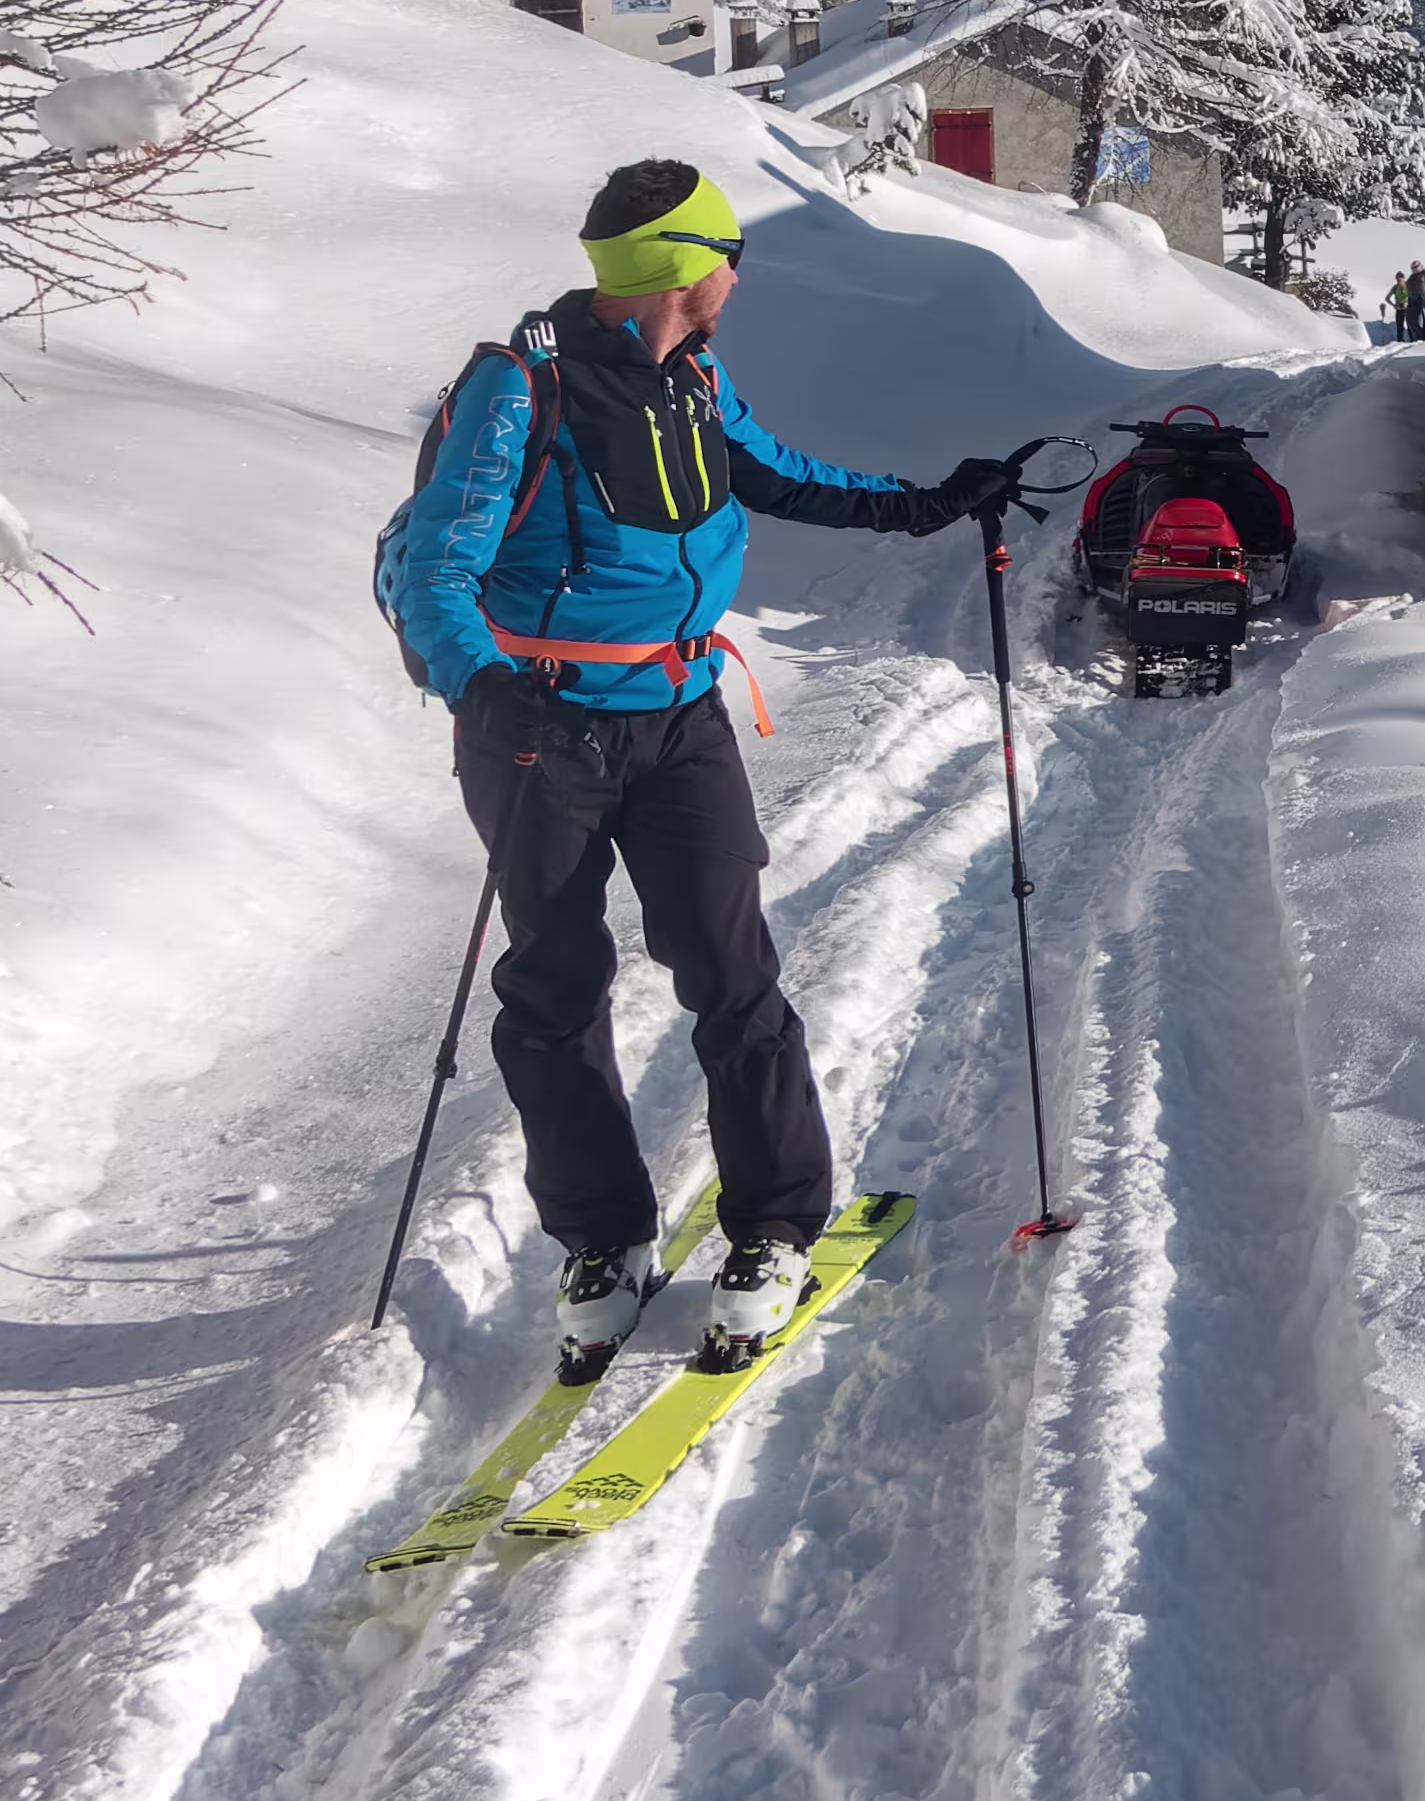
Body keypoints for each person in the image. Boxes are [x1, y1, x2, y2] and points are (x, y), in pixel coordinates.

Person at [381, 161, 1029, 1364]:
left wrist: (927, 503)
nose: (740, 277)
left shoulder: (695, 380)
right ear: (689, 267)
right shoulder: (521, 390)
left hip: (681, 718)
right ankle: (602, 1238)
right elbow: (438, 569)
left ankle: (776, 1225)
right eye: (733, 256)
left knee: (733, 973)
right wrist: (486, 686)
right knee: (554, 988)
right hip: (541, 732)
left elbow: (779, 473)